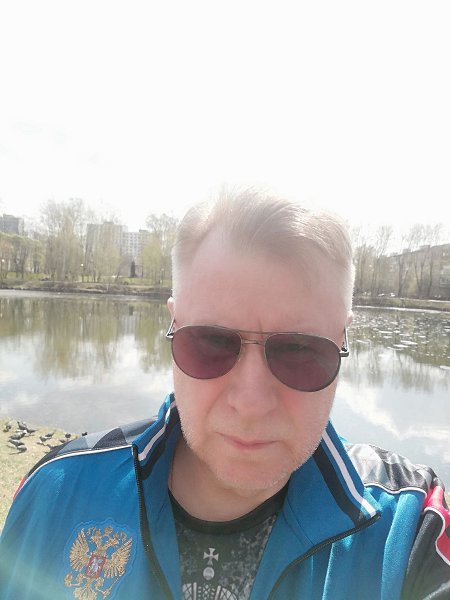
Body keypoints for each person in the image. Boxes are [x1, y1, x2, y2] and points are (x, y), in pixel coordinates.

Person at [0, 187, 449, 600]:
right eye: (211, 343)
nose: (250, 403)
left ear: (342, 338)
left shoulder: (410, 527)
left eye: (299, 351)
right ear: (174, 325)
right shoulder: (56, 492)